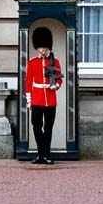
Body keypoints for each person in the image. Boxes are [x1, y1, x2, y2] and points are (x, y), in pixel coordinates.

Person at [25, 27, 63, 165]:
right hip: (36, 98)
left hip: (50, 99)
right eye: (39, 47)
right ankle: (42, 153)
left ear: (48, 47)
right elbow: (28, 82)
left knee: (48, 127)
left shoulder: (55, 62)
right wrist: (29, 100)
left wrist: (56, 86)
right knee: (36, 126)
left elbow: (59, 79)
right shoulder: (32, 62)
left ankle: (45, 154)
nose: (41, 50)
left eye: (43, 47)